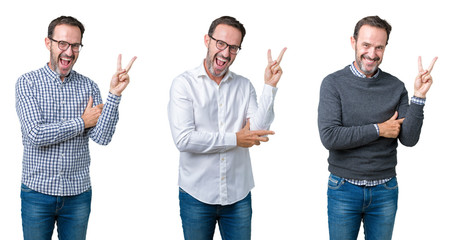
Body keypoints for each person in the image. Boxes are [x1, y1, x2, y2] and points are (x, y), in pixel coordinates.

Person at [15, 16, 136, 240]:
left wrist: (114, 95)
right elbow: (35, 134)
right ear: (48, 43)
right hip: (37, 194)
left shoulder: (88, 86)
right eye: (62, 44)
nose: (69, 52)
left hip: (78, 195)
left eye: (75, 45)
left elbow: (102, 137)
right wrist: (81, 122)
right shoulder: (27, 82)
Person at [317, 15, 437, 240]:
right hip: (343, 188)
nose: (372, 54)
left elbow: (409, 139)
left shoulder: (396, 86)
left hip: (385, 190)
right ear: (353, 42)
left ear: (385, 48)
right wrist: (379, 129)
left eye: (379, 47)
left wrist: (419, 96)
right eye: (366, 45)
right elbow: (330, 137)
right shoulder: (333, 84)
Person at [168, 16, 286, 240]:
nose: (225, 53)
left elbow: (258, 129)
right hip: (196, 196)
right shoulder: (184, 84)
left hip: (238, 195)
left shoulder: (244, 86)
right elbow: (184, 139)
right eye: (220, 43)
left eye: (233, 47)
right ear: (207, 40)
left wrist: (269, 86)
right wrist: (235, 139)